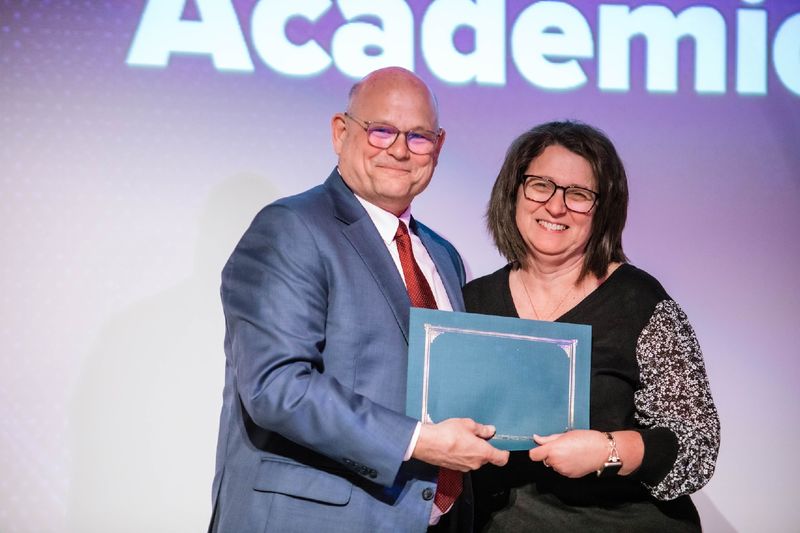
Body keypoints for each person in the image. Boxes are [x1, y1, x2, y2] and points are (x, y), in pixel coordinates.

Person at [209, 67, 508, 533]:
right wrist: (418, 441)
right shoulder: (291, 227)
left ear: (439, 146)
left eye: (418, 136)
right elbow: (276, 385)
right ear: (340, 132)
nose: (399, 149)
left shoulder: (443, 256)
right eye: (381, 130)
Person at [463, 121, 720, 531]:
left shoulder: (639, 301)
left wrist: (607, 450)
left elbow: (695, 446)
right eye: (540, 185)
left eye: (578, 194)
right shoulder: (472, 302)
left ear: (603, 211)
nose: (555, 206)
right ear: (513, 191)